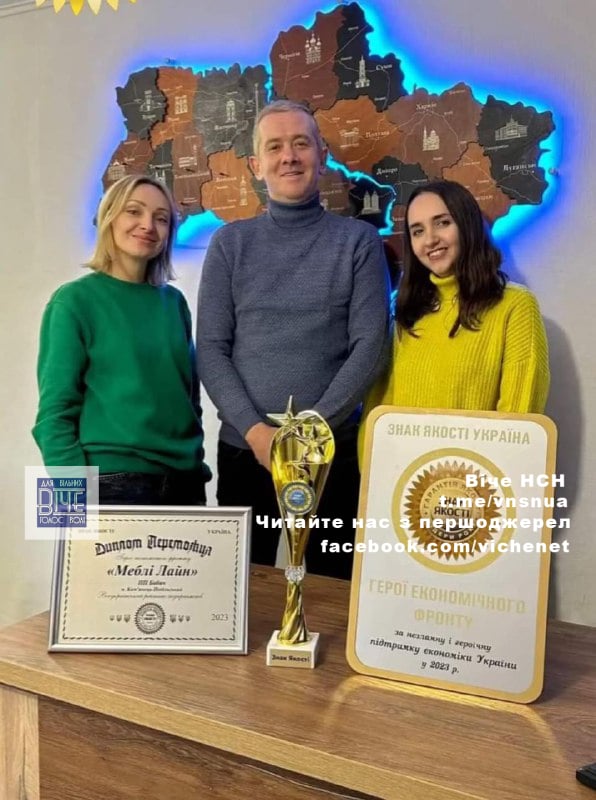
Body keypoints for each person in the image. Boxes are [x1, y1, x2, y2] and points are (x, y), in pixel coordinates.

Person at [196, 100, 390, 579]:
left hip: (332, 455)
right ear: (255, 164)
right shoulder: (229, 244)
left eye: (301, 143)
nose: (289, 156)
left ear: (322, 156)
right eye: (275, 147)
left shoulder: (358, 242)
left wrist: (310, 434)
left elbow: (371, 346)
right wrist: (258, 434)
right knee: (242, 590)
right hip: (246, 452)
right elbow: (212, 350)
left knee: (330, 591)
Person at [33, 174, 211, 505]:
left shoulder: (174, 303)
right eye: (134, 211)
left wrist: (196, 470)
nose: (148, 225)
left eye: (161, 218)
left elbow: (189, 402)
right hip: (109, 484)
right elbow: (54, 416)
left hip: (184, 484)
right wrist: (76, 503)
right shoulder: (74, 302)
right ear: (109, 217)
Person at [361, 179, 549, 433]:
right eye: (418, 231)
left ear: (467, 225)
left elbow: (518, 425)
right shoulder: (405, 310)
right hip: (404, 460)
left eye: (442, 223)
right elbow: (378, 415)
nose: (430, 239)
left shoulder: (516, 306)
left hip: (476, 460)